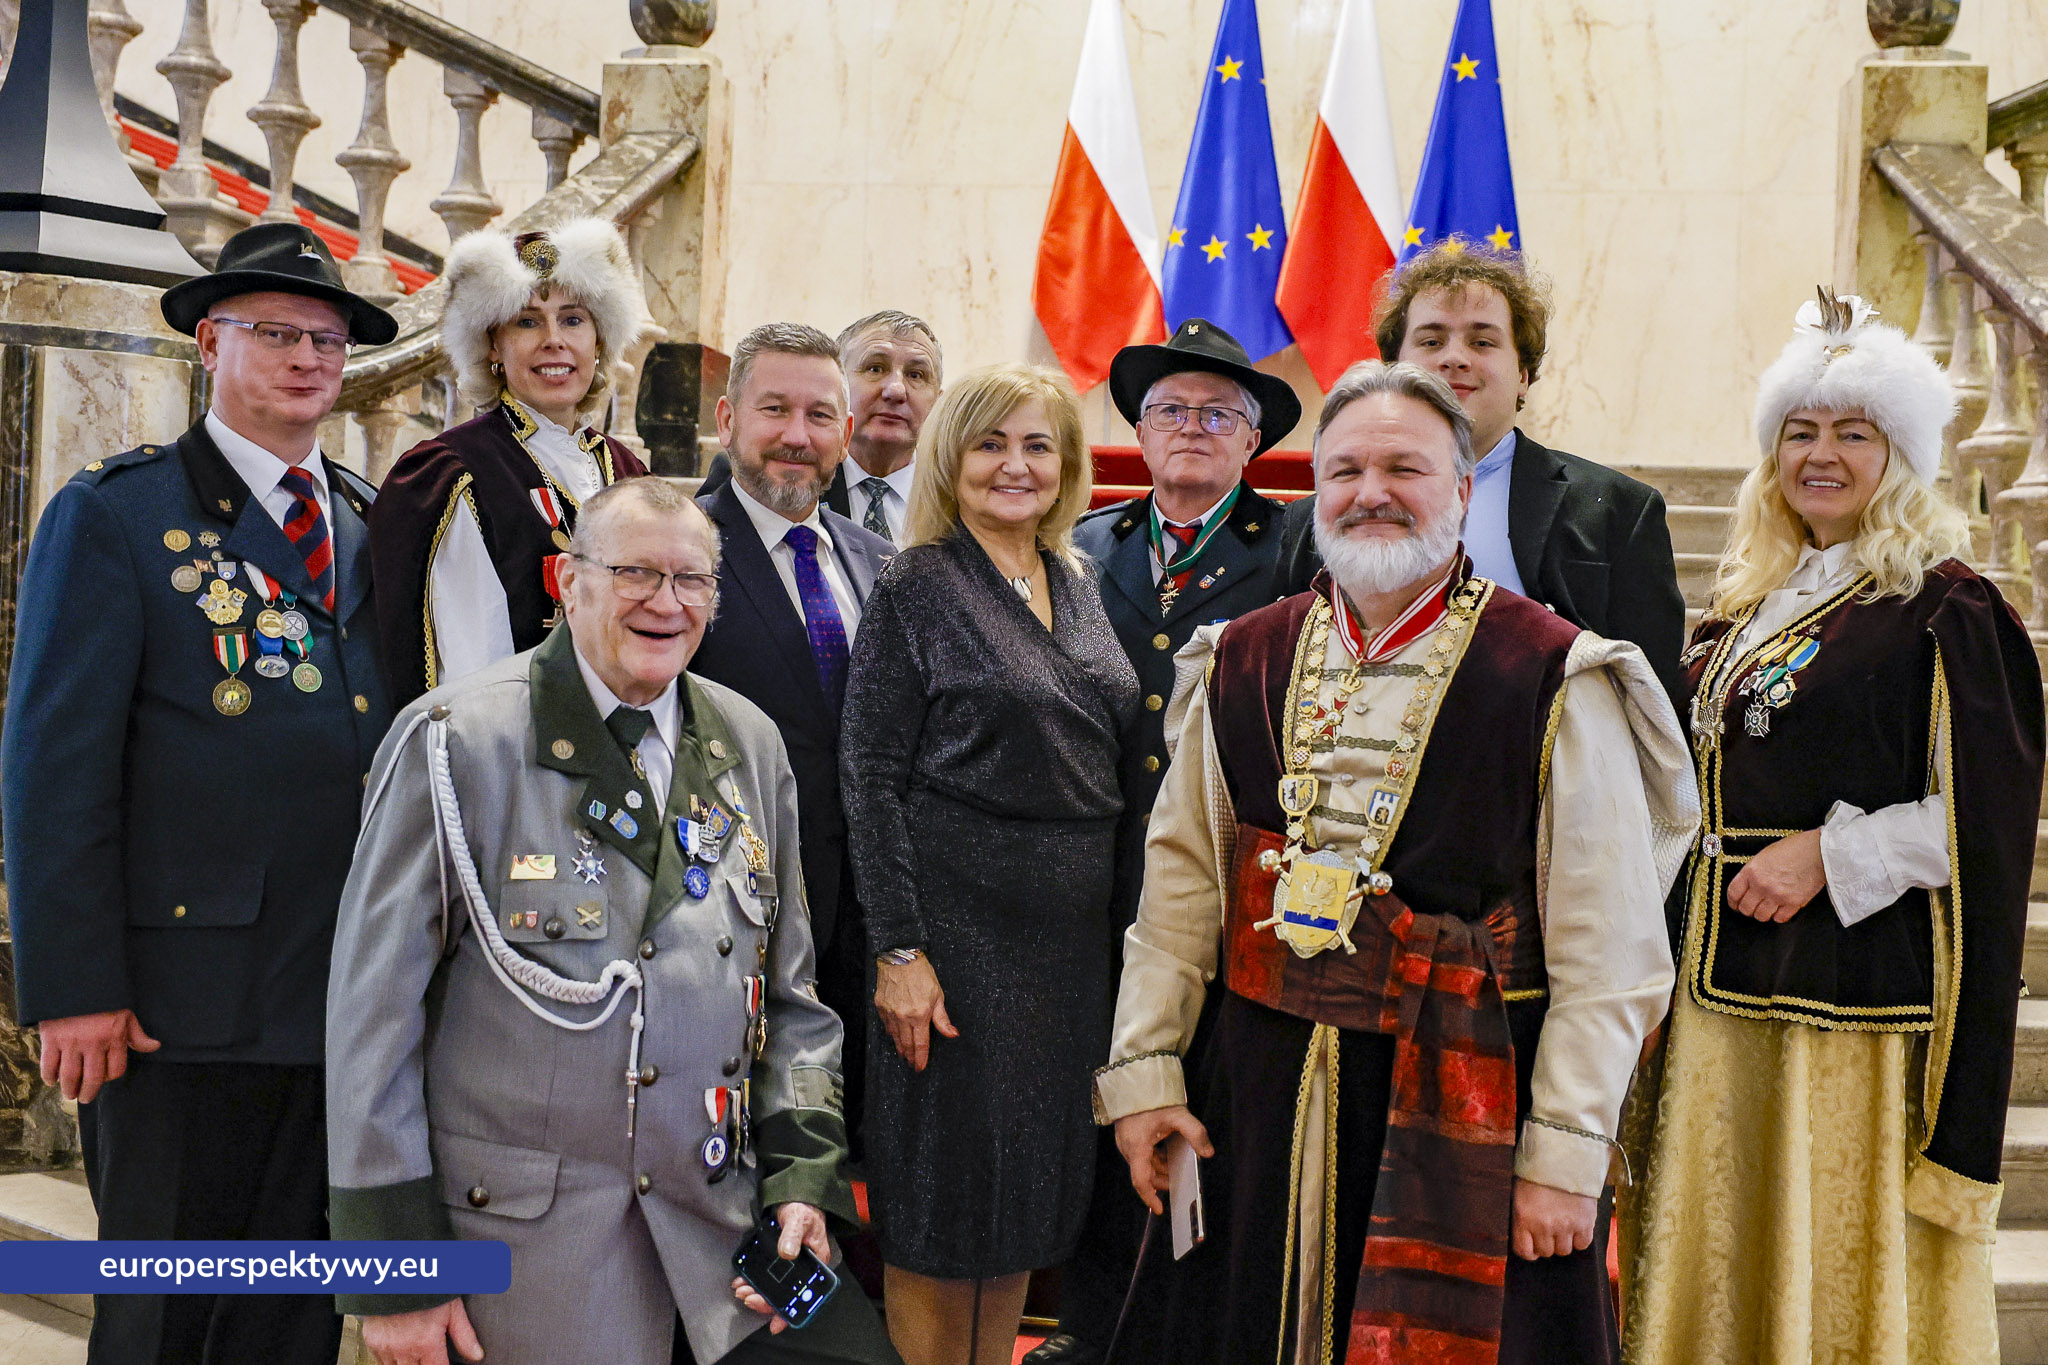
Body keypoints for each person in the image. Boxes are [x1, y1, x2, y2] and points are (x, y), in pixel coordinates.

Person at [1098, 360, 1696, 1363]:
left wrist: (1564, 1151)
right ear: (1312, 493)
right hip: (1255, 1091)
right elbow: (1180, 891)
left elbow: (1611, 948)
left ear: (1460, 492)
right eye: (1343, 472)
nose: (1369, 493)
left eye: (1403, 469)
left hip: (1469, 1104)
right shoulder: (1238, 656)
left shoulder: (1552, 671)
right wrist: (1148, 1071)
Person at [326, 477, 901, 1365]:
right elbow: (373, 1024)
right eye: (636, 573)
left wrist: (801, 1181)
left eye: (691, 580)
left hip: (719, 1243)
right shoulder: (457, 740)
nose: (666, 603)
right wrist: (396, 1271)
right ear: (568, 580)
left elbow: (792, 1003)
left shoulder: (749, 742)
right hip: (528, 1256)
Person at [1620, 291, 2043, 1364]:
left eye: (1851, 433)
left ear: (1897, 455)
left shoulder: (1943, 606)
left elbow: (1991, 816)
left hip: (1838, 1003)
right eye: (1798, 432)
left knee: (1818, 1254)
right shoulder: (1735, 612)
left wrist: (1832, 853)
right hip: (1711, 986)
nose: (1819, 454)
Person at [1, 221, 397, 1364]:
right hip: (182, 1004)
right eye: (277, 332)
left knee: (294, 1318)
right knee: (165, 1309)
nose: (309, 358)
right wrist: (72, 986)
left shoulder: (371, 522)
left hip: (341, 995)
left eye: (329, 339)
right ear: (209, 343)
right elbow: (54, 767)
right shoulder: (119, 514)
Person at [840, 364, 1139, 1365]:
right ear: (950, 458)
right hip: (954, 952)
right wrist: (898, 950)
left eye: (1036, 445)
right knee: (942, 1214)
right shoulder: (915, 583)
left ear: (1066, 467)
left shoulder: (1080, 579)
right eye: (989, 443)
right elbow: (870, 775)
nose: (1014, 465)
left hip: (1065, 961)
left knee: (1020, 1213)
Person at [1031, 317, 1299, 1365]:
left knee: (1197, 1100)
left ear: (1250, 442)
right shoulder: (1080, 547)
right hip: (1091, 882)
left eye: (1217, 414)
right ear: (1137, 432)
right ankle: (1090, 1326)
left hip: (1216, 883)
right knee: (1102, 1096)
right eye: (1170, 410)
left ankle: (1177, 1331)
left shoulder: (1287, 546)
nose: (1191, 428)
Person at [1273, 239, 1686, 693]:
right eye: (1431, 340)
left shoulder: (1617, 512)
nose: (1454, 357)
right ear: (1394, 369)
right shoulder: (1314, 521)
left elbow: (1652, 701)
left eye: (1482, 340)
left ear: (1524, 376)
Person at [691, 323, 895, 1153]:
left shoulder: (881, 560)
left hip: (861, 915)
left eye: (819, 415)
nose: (796, 436)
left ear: (846, 435)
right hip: (722, 902)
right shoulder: (679, 547)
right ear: (728, 416)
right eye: (775, 409)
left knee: (845, 1152)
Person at [371, 218, 650, 707]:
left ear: (600, 339)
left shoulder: (628, 472)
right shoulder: (451, 475)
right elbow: (472, 684)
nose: (553, 340)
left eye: (573, 319)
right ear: (493, 345)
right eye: (526, 321)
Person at [697, 311, 944, 542]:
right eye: (875, 368)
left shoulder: (956, 494)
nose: (896, 390)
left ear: (940, 400)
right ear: (839, 388)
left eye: (916, 375)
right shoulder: (756, 472)